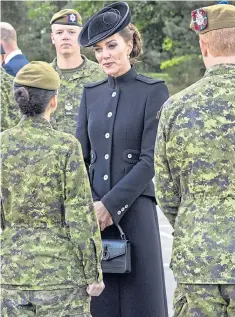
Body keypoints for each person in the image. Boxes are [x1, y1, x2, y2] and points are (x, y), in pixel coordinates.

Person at [76, 2, 169, 317]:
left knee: (139, 304)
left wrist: (109, 206)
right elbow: (80, 158)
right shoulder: (91, 94)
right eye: (99, 49)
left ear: (129, 46)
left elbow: (150, 159)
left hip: (136, 215)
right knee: (99, 305)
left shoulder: (153, 91)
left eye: (112, 45)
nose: (104, 55)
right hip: (95, 218)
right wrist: (93, 204)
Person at [1, 61, 104, 316]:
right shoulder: (65, 146)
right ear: (53, 101)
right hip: (60, 274)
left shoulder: (2, 145)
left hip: (11, 271)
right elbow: (80, 213)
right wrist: (94, 272)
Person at [155, 3, 235, 317]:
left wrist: (194, 223)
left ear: (203, 44)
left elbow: (166, 192)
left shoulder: (175, 107)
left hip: (197, 256)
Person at [50, 9, 105, 135]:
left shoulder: (101, 74)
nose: (65, 37)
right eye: (59, 32)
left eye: (71, 32)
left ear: (80, 37)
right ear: (53, 38)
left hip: (89, 152)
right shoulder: (43, 75)